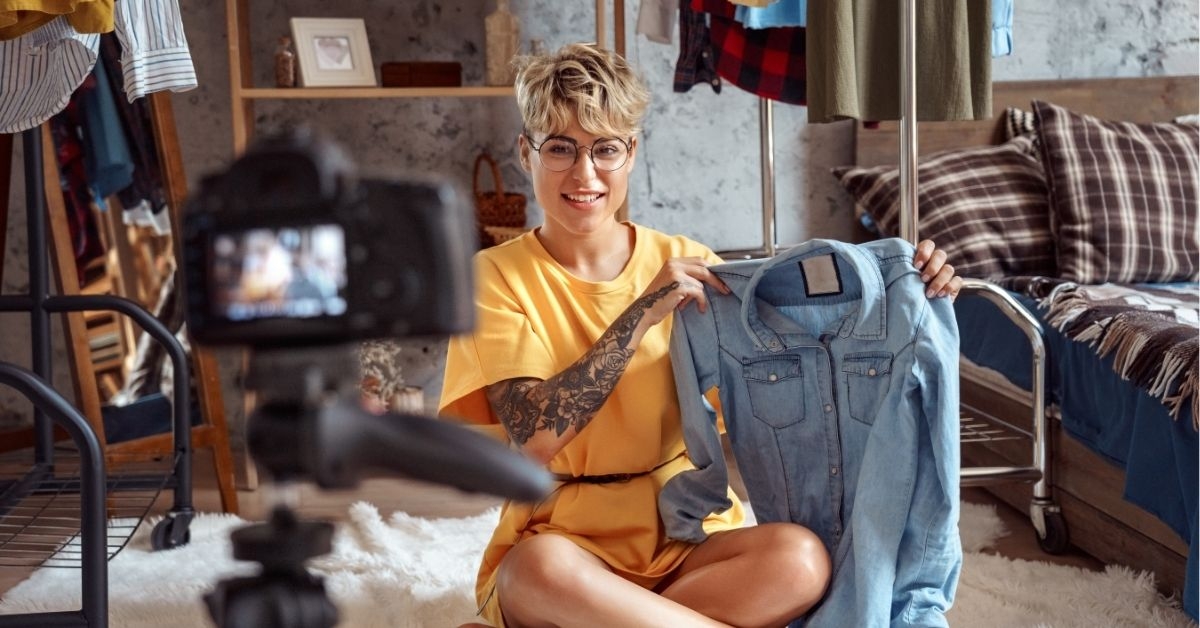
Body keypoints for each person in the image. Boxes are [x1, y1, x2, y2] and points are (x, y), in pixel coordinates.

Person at [438, 43, 962, 628]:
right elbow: (532, 436)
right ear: (525, 152)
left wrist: (908, 281)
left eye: (605, 149)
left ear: (631, 153)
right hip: (562, 547)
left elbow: (820, 331)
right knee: (537, 573)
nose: (584, 174)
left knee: (801, 559)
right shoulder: (491, 277)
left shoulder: (688, 261)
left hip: (688, 537)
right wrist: (641, 313)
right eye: (560, 148)